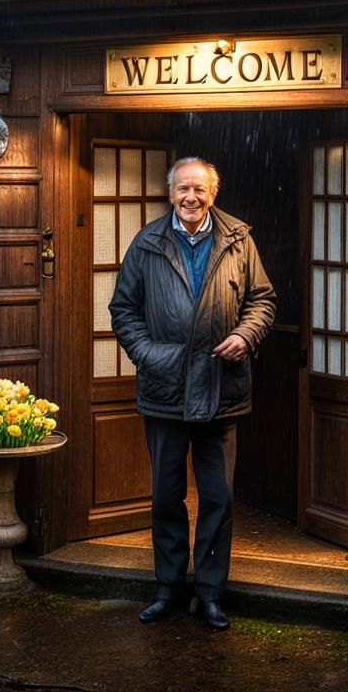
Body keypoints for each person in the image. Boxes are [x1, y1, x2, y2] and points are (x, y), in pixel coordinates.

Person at [109, 156, 275, 632]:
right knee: (166, 495)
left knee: (218, 498)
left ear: (213, 193)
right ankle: (166, 587)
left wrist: (245, 335)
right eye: (183, 189)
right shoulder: (148, 242)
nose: (191, 198)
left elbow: (262, 299)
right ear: (170, 192)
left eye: (199, 190)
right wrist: (149, 355)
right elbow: (123, 309)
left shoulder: (239, 239)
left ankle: (209, 593)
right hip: (165, 390)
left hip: (222, 390)